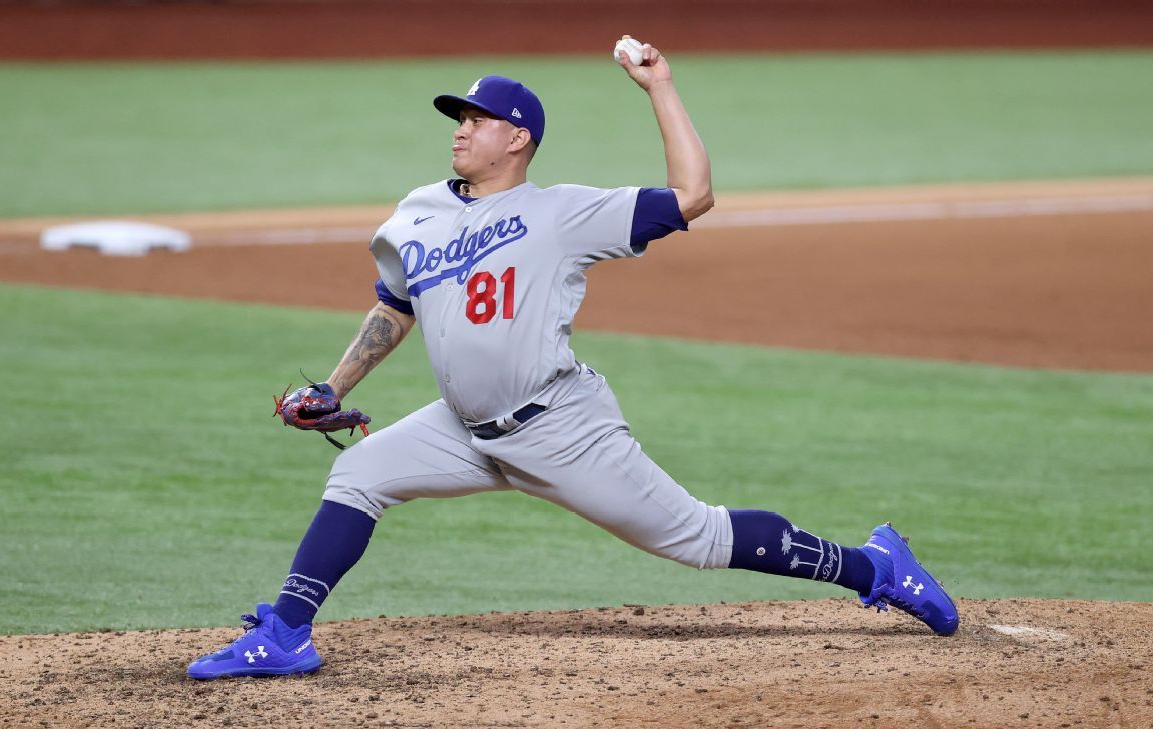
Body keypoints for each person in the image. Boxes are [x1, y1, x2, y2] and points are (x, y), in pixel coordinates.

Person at [187, 40, 958, 680]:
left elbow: (694, 195)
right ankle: (286, 632)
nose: (461, 127)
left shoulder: (562, 214)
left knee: (699, 538)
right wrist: (334, 383)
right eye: (460, 115)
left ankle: (876, 565)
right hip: (461, 427)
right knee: (357, 474)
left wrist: (660, 86)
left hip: (559, 427)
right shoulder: (416, 212)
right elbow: (397, 304)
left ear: (517, 138)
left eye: (478, 117)